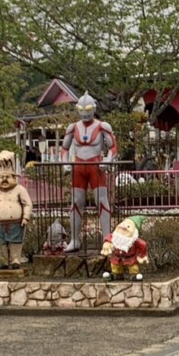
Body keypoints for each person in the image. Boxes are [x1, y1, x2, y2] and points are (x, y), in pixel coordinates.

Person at [60, 93, 117, 251]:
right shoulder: (73, 128)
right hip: (78, 167)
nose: (85, 113)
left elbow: (113, 147)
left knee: (101, 201)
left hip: (96, 167)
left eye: (89, 109)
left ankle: (107, 238)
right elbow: (64, 149)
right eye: (82, 110)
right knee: (76, 202)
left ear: (94, 109)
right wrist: (65, 164)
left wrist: (107, 160)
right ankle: (74, 239)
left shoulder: (102, 126)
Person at [0, 150, 33, 269]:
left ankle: (15, 261)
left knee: (15, 242)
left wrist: (26, 217)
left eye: (7, 177)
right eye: (2, 177)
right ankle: (2, 262)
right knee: (0, 243)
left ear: (13, 177)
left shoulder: (20, 189)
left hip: (15, 222)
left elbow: (27, 204)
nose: (4, 179)